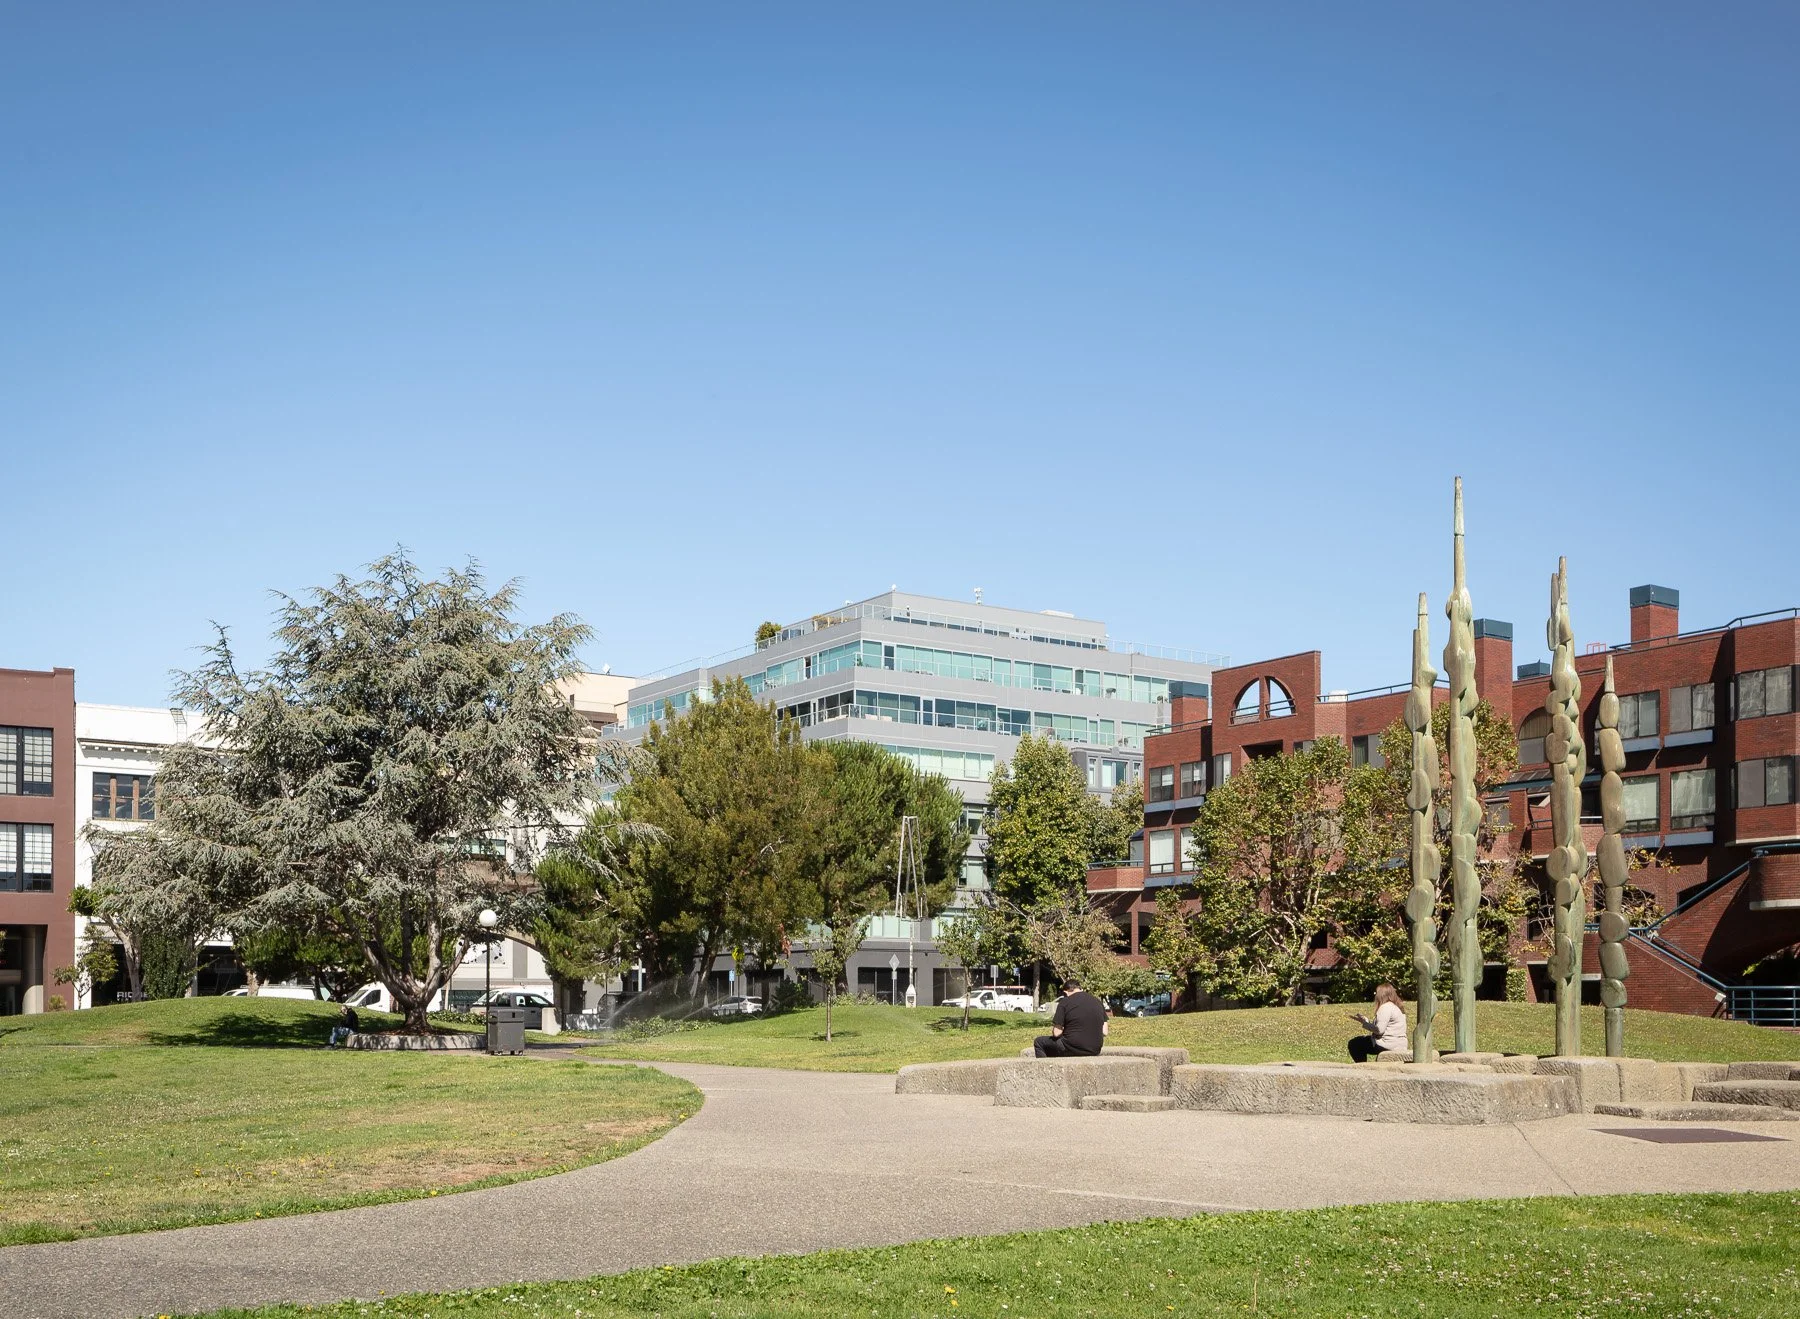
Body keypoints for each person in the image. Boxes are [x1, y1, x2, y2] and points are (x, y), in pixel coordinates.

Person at [1033, 978, 1107, 1058]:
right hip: (1095, 1049)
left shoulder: (1065, 1002)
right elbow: (1105, 1031)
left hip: (1071, 1047)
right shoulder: (1097, 1002)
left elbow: (1057, 1033)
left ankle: (1046, 1068)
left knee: (1039, 1042)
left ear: (1065, 992)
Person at [1347, 984, 1408, 1061]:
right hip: (1400, 1044)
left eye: (1376, 993)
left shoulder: (1385, 1007)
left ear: (1381, 995)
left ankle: (1362, 1067)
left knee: (1355, 1043)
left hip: (1387, 1044)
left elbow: (1379, 1030)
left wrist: (1365, 1024)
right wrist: (1366, 1022)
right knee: (1361, 1042)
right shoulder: (1397, 1007)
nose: (1375, 996)